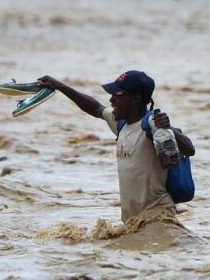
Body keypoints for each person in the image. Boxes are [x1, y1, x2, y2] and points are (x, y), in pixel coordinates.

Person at [37, 70, 195, 223]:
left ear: (135, 99)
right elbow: (95, 108)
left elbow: (189, 149)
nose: (111, 100)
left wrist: (169, 128)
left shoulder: (152, 123)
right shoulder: (121, 124)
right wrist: (59, 86)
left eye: (117, 95)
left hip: (158, 217)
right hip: (133, 221)